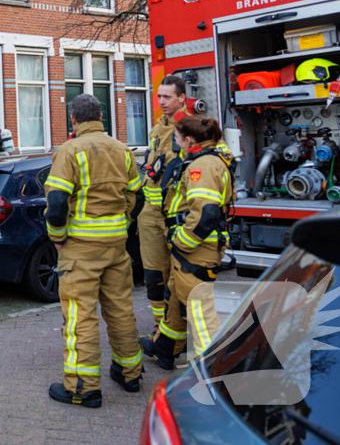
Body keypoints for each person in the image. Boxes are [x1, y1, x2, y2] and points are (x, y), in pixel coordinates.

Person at [44, 94, 145, 408]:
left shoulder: (70, 150)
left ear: (73, 120)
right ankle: (130, 374)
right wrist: (121, 225)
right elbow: (137, 199)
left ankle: (82, 388)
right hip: (116, 246)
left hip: (80, 248)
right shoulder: (122, 150)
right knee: (120, 309)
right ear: (100, 116)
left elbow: (57, 203)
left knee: (79, 316)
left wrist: (57, 237)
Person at [140, 115, 234, 370]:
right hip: (195, 250)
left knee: (199, 312)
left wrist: (182, 242)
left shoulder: (200, 167)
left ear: (189, 140)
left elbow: (206, 213)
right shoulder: (207, 159)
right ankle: (165, 349)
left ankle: (215, 368)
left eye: (178, 138)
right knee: (174, 303)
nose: (175, 141)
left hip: (195, 251)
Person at [139, 75, 189, 331]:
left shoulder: (193, 128)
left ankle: (178, 333)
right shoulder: (157, 130)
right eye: (159, 97)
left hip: (176, 214)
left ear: (182, 98)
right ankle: (160, 329)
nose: (162, 102)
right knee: (153, 277)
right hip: (150, 215)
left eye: (167, 97)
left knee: (179, 278)